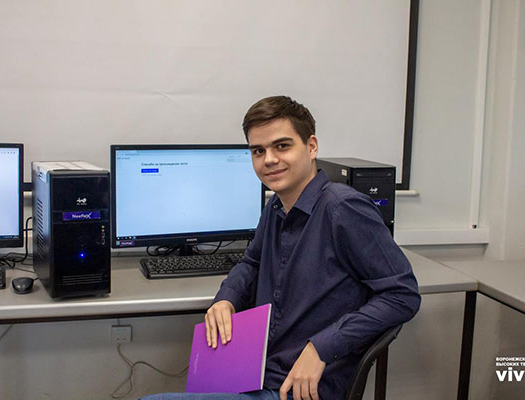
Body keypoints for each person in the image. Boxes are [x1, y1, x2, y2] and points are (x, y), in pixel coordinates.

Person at [141, 96, 421, 400]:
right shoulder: (276, 207)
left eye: (282, 146)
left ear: (311, 146)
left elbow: (402, 295)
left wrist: (322, 347)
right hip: (261, 368)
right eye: (258, 151)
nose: (269, 160)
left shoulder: (343, 209)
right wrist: (227, 299)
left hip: (301, 388)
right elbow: (252, 263)